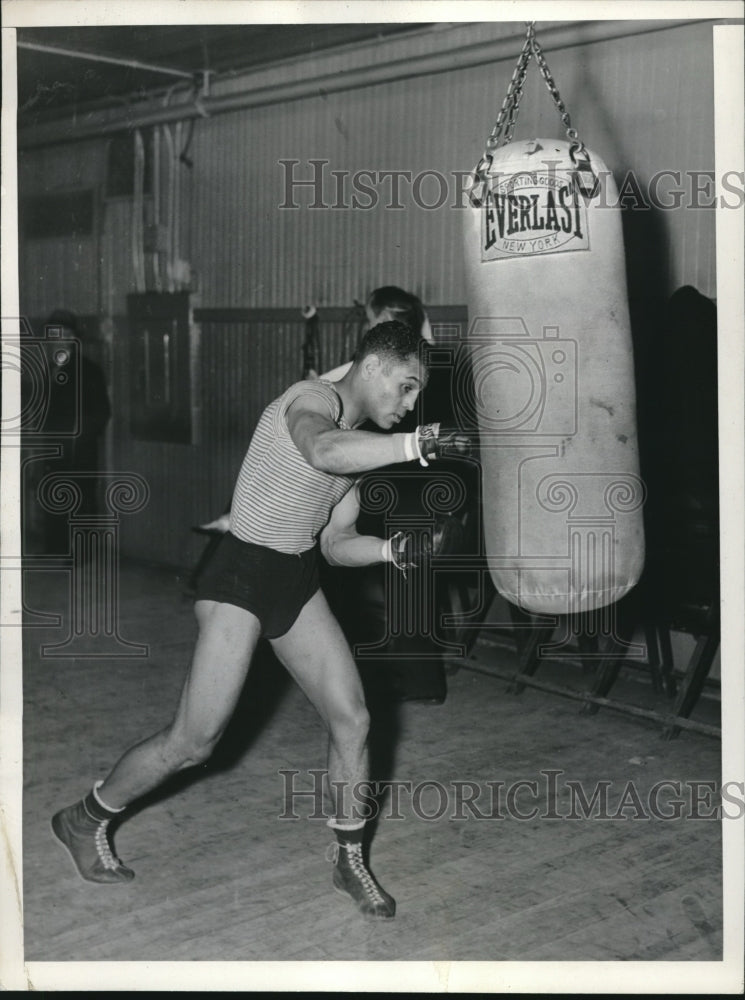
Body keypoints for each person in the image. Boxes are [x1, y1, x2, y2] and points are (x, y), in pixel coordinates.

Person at [52, 319, 469, 920]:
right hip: (241, 576)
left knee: (352, 718)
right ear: (374, 366)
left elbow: (334, 543)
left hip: (295, 579)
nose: (408, 406)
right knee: (194, 743)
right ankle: (82, 818)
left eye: (415, 398)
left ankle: (347, 857)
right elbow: (320, 448)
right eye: (405, 387)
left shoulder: (358, 446)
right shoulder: (311, 401)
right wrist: (422, 442)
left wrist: (392, 550)